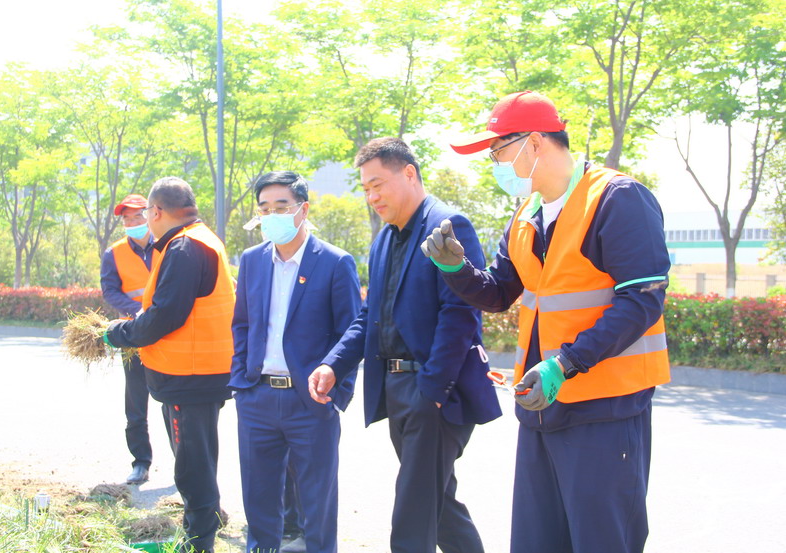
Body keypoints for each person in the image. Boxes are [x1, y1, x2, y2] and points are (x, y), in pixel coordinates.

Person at [422, 90, 671, 553]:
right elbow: (499, 292)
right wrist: (456, 269)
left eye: (498, 151)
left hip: (605, 410)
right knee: (537, 542)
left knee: (602, 542)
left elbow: (642, 300)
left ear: (534, 143)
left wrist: (566, 363)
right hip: (541, 408)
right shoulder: (526, 215)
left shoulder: (617, 199)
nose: (495, 164)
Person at [308, 138, 501, 553]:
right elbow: (369, 316)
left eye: (378, 184)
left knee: (412, 513)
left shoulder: (447, 225)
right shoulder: (384, 240)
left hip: (434, 391)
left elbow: (461, 312)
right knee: (438, 505)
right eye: (366, 189)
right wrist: (333, 364)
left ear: (409, 173)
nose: (372, 197)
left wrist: (432, 390)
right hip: (397, 389)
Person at [229, 171, 361, 553]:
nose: (272, 215)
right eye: (264, 208)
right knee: (259, 506)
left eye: (281, 206)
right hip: (257, 399)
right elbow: (242, 324)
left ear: (303, 209)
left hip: (310, 402)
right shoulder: (252, 260)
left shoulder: (335, 262)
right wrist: (242, 383)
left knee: (317, 508)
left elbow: (352, 331)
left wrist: (335, 393)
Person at [103, 177, 234, 553]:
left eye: (146, 213)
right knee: (199, 459)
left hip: (188, 375)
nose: (145, 220)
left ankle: (198, 543)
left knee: (191, 468)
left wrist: (120, 333)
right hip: (200, 372)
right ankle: (206, 525)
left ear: (157, 211)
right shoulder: (199, 239)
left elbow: (165, 315)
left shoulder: (184, 247)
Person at [100, 193, 158, 486]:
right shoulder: (114, 253)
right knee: (136, 403)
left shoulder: (168, 245)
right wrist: (137, 311)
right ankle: (140, 462)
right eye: (127, 219)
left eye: (137, 216)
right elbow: (110, 290)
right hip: (133, 334)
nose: (133, 222)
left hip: (168, 332)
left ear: (150, 214)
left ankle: (185, 462)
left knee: (174, 402)